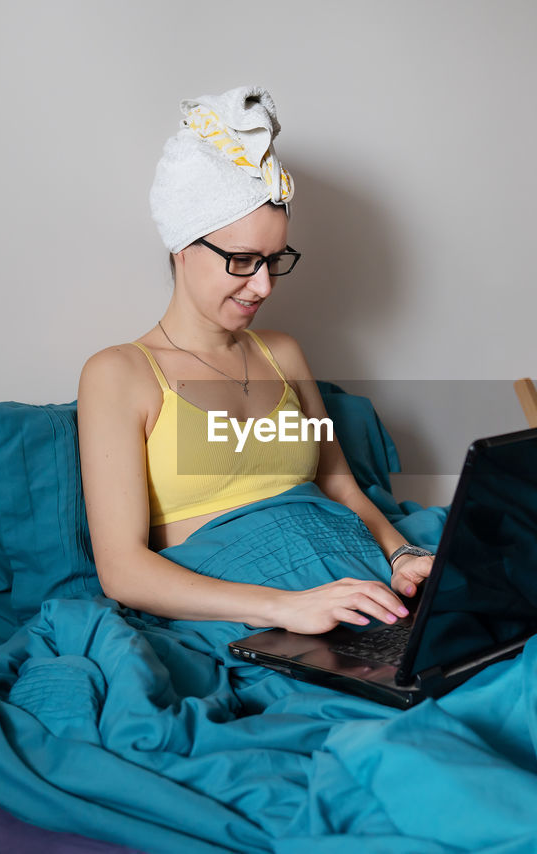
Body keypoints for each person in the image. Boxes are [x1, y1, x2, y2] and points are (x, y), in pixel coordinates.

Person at [78, 86, 433, 636]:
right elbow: (122, 570)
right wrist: (283, 607)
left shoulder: (282, 352)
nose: (263, 285)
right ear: (182, 246)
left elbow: (339, 483)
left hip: (354, 573)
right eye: (242, 261)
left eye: (274, 260)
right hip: (250, 608)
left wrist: (401, 554)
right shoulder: (119, 374)